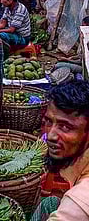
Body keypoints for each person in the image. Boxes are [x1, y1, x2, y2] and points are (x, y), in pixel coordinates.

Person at [30, 80, 89, 221]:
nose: (50, 136)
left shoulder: (79, 200)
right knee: (49, 204)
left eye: (65, 127)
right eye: (49, 121)